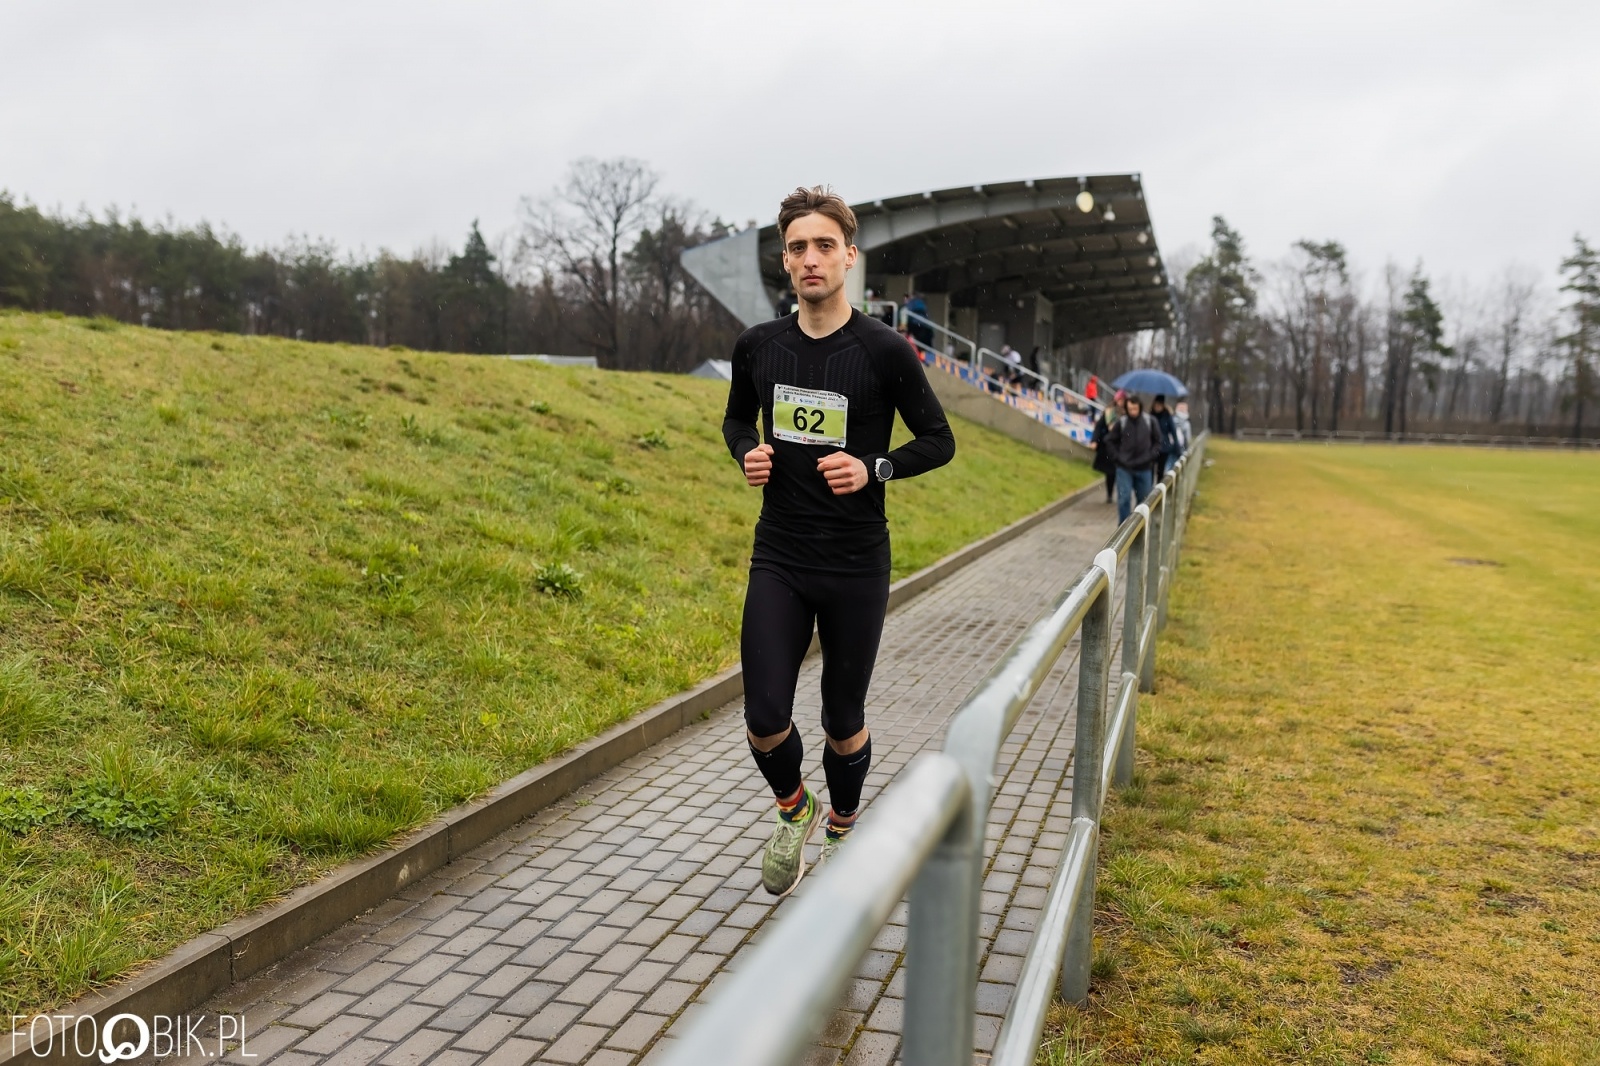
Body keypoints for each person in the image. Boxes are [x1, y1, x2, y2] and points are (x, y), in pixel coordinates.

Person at [723, 186, 956, 897]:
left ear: (849, 256)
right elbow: (736, 420)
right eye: (797, 247)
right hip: (781, 555)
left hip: (855, 562)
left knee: (841, 718)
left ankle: (844, 825)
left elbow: (939, 440)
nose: (810, 259)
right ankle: (795, 809)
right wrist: (746, 452)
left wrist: (873, 467)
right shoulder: (759, 346)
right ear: (784, 261)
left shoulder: (883, 350)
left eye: (824, 245)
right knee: (764, 714)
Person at [1105, 394, 1162, 522]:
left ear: (1140, 407)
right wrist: (1117, 457)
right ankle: (1124, 527)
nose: (1133, 412)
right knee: (1124, 499)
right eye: (1130, 409)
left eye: (1135, 409)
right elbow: (1109, 440)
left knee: (1144, 501)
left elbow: (1158, 442)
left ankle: (1141, 528)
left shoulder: (1150, 421)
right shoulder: (1122, 422)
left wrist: (1150, 456)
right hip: (1124, 467)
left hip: (1144, 467)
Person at [1091, 390, 1127, 503]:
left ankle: (1121, 494)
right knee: (1110, 472)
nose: (1121, 402)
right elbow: (1099, 427)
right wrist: (1094, 440)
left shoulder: (1127, 413)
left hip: (1122, 445)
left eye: (1122, 400)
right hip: (1109, 446)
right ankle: (1110, 494)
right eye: (1119, 399)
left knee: (1120, 471)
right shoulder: (1109, 412)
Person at [1150, 394, 1182, 475]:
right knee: (1151, 469)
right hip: (1152, 445)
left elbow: (1173, 431)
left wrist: (1177, 446)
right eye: (1156, 405)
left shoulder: (1167, 416)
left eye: (1159, 405)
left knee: (1160, 470)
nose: (1157, 407)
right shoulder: (1151, 415)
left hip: (1164, 446)